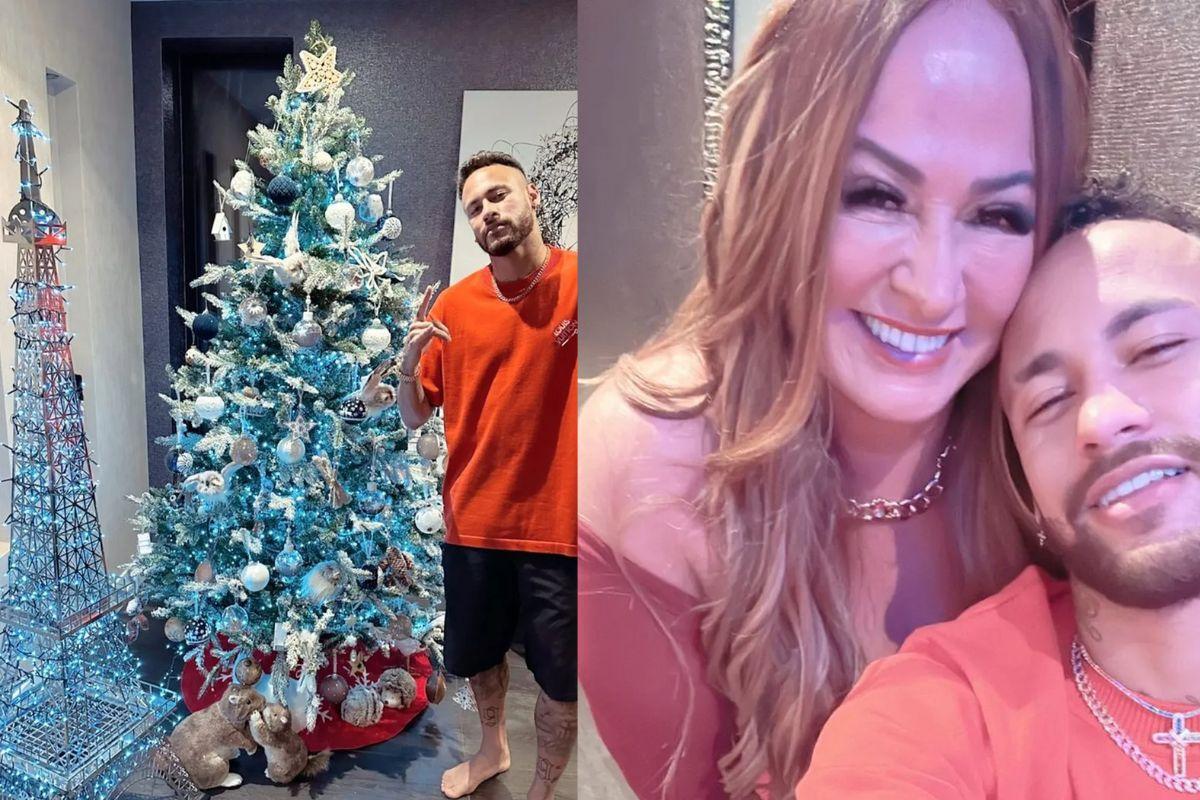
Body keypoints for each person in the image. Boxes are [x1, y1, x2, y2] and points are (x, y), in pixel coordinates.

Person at [579, 0, 1089, 796]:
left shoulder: (1066, 436)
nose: (932, 289)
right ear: (775, 182)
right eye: (876, 194)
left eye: (997, 214)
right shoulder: (648, 462)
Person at [795, 183, 1200, 798]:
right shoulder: (941, 712)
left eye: (1157, 347)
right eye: (1049, 401)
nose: (1099, 418)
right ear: (1028, 488)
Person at [398, 151, 578, 800]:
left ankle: (543, 791)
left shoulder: (586, 285)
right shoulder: (455, 305)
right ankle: (492, 750)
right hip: (473, 521)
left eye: (498, 196)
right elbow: (415, 411)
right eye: (475, 208)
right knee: (478, 658)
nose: (488, 213)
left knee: (561, 683)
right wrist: (407, 364)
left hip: (563, 529)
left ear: (531, 195)